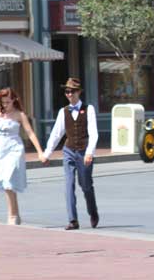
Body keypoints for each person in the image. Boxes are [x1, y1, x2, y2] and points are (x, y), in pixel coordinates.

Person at [39, 77, 99, 230]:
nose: (69, 94)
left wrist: (89, 152)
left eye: (72, 91)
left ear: (79, 92)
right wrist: (47, 153)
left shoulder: (89, 109)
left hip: (84, 151)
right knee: (68, 184)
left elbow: (94, 133)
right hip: (69, 150)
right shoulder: (63, 112)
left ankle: (93, 212)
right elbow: (56, 134)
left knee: (86, 186)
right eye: (67, 91)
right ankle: (73, 220)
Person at [0, 88, 44, 225]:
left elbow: (30, 133)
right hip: (1, 149)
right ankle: (15, 213)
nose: (5, 105)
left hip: (15, 148)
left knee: (9, 179)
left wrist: (39, 151)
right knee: (4, 181)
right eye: (3, 102)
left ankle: (12, 215)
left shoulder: (20, 115)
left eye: (8, 102)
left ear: (14, 100)